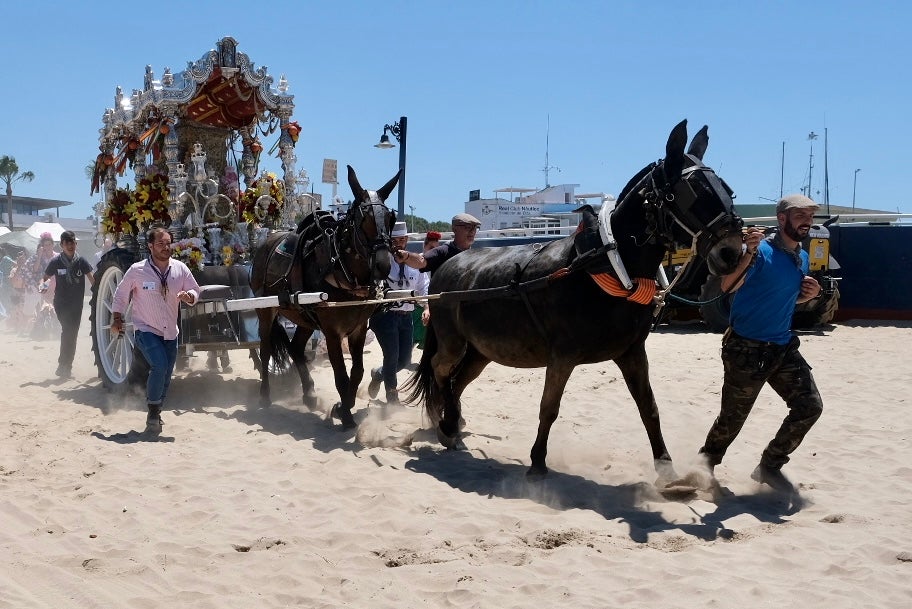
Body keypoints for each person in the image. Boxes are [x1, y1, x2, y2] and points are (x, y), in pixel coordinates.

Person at [698, 194, 824, 493]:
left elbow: (783, 298)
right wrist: (748, 254)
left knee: (809, 406)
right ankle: (704, 465)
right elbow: (727, 286)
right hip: (747, 349)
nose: (806, 221)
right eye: (800, 215)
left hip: (782, 347)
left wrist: (810, 294)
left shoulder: (801, 257)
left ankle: (769, 466)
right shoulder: (760, 251)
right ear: (782, 219)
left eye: (809, 216)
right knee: (732, 419)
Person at [111, 226, 200, 434]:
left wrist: (190, 296)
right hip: (145, 329)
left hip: (171, 332)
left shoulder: (180, 269)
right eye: (160, 243)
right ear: (150, 246)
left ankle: (156, 411)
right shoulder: (137, 270)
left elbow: (196, 289)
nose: (165, 247)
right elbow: (121, 294)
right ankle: (152, 413)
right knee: (159, 365)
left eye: (168, 243)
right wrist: (117, 317)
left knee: (167, 373)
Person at [367, 222, 429, 405]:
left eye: (402, 240)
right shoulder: (381, 262)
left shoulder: (415, 263)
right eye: (395, 240)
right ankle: (392, 398)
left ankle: (378, 374)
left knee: (404, 360)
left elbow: (423, 287)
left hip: (406, 317)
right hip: (386, 316)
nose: (399, 244)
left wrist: (426, 307)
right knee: (392, 356)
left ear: (407, 240)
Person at [40, 231, 95, 377]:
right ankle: (63, 365)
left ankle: (66, 366)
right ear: (62, 245)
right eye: (67, 243)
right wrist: (43, 288)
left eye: (73, 243)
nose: (70, 246)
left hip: (77, 304)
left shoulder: (81, 261)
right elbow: (45, 277)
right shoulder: (56, 262)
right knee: (67, 330)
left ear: (76, 244)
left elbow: (92, 279)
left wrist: (100, 293)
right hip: (61, 303)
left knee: (72, 334)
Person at [394, 213, 481, 274]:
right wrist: (407, 256)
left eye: (475, 228)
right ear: (454, 229)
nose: (472, 232)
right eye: (468, 227)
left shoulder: (477, 256)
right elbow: (421, 262)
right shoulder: (442, 252)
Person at [411, 230, 441, 350]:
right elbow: (419, 287)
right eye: (431, 247)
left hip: (433, 305)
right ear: (424, 246)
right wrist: (425, 306)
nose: (433, 251)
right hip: (417, 307)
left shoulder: (439, 263)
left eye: (436, 249)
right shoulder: (416, 262)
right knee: (410, 341)